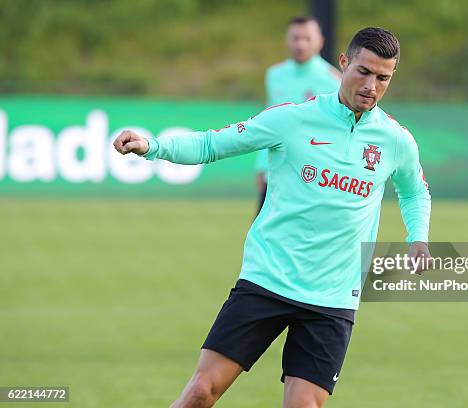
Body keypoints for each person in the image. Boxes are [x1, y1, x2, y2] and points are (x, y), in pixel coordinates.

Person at [114, 27, 431, 408]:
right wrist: (154, 146)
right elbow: (214, 144)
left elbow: (414, 191)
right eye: (364, 72)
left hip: (332, 297)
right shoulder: (293, 119)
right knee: (201, 392)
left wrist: (419, 238)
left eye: (383, 78)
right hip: (268, 278)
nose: (371, 86)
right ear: (343, 64)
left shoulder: (396, 140)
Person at [255, 16, 341, 214]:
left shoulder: (334, 81)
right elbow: (268, 121)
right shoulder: (274, 75)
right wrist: (261, 165)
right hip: (276, 170)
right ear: (287, 40)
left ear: (320, 41)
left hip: (313, 174)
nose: (300, 44)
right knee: (262, 237)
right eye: (296, 38)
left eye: (307, 38)